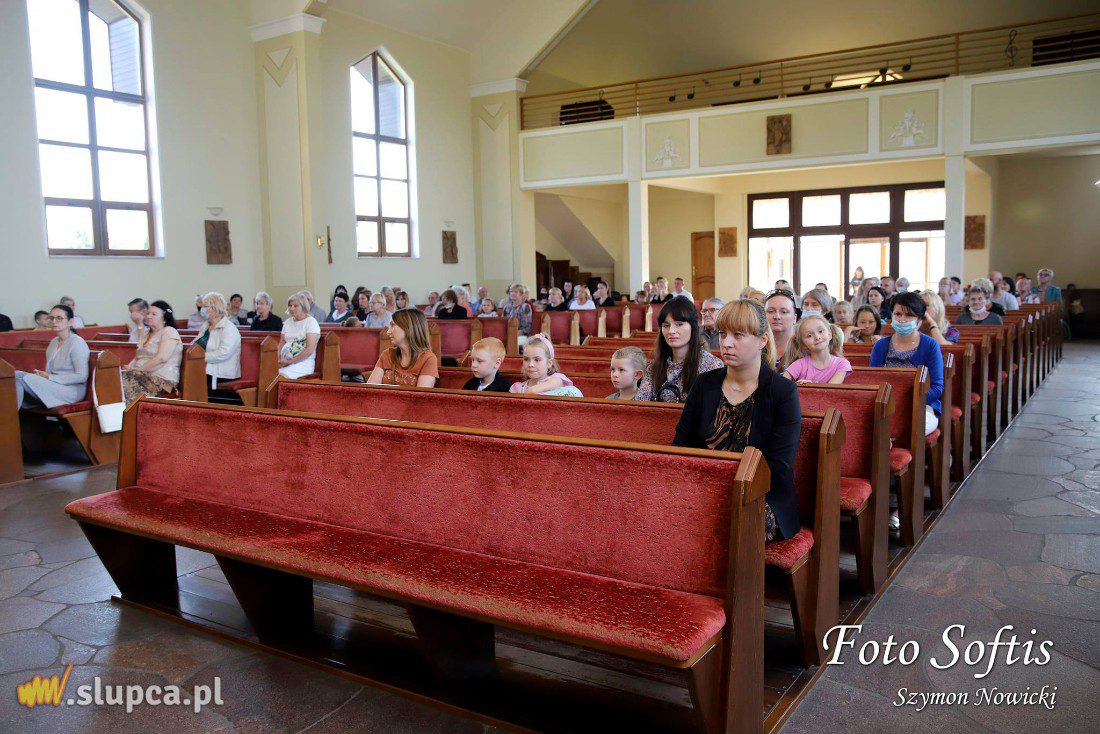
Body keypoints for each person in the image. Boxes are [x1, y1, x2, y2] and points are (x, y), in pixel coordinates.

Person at [673, 299, 801, 543]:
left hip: (762, 497)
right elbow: (681, 445)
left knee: (725, 521)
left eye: (738, 335)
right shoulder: (705, 384)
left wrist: (721, 495)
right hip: (703, 490)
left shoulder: (782, 392)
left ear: (762, 340)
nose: (726, 343)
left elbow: (778, 466)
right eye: (723, 334)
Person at [870, 292, 944, 436]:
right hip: (886, 403)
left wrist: (910, 400)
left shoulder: (930, 345)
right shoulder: (881, 346)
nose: (902, 320)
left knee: (915, 426)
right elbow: (873, 381)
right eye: (898, 314)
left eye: (909, 315)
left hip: (922, 404)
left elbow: (937, 387)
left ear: (919, 320)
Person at [635, 298, 722, 402]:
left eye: (679, 324)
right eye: (666, 325)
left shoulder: (712, 366)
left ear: (693, 327)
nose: (671, 331)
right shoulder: (654, 367)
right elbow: (640, 405)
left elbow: (711, 407)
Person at [13, 304, 89, 409]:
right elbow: (50, 372)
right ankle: (11, 416)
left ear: (70, 322)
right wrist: (42, 376)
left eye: (59, 318)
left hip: (71, 390)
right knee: (13, 375)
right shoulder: (54, 342)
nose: (54, 321)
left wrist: (50, 377)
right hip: (54, 385)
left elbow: (81, 376)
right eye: (51, 318)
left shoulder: (77, 342)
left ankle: (9, 417)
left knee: (18, 376)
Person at [121, 301, 183, 405]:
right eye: (148, 313)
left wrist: (137, 370)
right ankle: (116, 414)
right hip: (142, 375)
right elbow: (138, 356)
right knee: (115, 378)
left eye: (154, 314)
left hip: (161, 379)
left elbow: (161, 359)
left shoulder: (169, 331)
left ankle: (127, 413)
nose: (149, 316)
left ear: (164, 318)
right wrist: (130, 367)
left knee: (122, 383)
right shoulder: (146, 333)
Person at [367, 309, 439, 387]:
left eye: (392, 325)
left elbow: (421, 393)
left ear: (408, 328)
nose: (388, 332)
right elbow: (370, 389)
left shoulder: (428, 358)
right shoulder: (387, 354)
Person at [783, 315, 851, 385]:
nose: (817, 337)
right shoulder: (799, 364)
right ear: (803, 344)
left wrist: (811, 386)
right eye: (809, 335)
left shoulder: (842, 364)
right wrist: (798, 385)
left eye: (820, 331)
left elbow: (830, 389)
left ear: (830, 334)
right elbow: (781, 384)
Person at [194, 292, 241, 389]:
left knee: (193, 379)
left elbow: (224, 353)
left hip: (221, 373)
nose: (202, 309)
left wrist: (200, 357)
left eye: (205, 306)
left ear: (215, 308)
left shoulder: (229, 328)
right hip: (205, 368)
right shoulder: (205, 326)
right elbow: (196, 345)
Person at [509, 334, 582, 396]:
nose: (531, 364)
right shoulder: (518, 387)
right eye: (526, 359)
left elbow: (533, 391)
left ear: (549, 363)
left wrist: (529, 392)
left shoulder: (556, 379)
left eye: (537, 360)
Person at [277, 292, 321, 379]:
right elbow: (281, 343)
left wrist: (290, 361)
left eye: (295, 306)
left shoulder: (311, 322)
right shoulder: (288, 322)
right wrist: (278, 360)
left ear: (303, 307)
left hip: (302, 363)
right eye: (290, 306)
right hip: (284, 361)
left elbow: (309, 350)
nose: (291, 308)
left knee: (280, 377)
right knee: (267, 374)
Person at [764, 290, 799, 371]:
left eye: (784, 312)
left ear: (794, 318)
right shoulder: (756, 346)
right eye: (771, 311)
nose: (777, 317)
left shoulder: (803, 347)